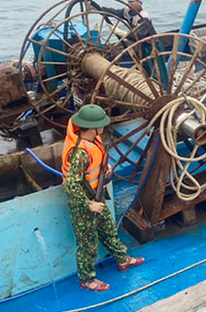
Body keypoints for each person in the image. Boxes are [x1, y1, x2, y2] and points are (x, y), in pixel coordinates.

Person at [62, 104, 144, 291]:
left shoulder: (93, 140)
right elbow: (71, 184)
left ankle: (123, 259)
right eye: (100, 124)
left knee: (108, 229)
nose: (103, 127)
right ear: (92, 128)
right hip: (83, 204)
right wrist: (88, 204)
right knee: (87, 243)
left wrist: (105, 170)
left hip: (96, 196)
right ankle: (87, 279)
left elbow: (94, 166)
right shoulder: (80, 153)